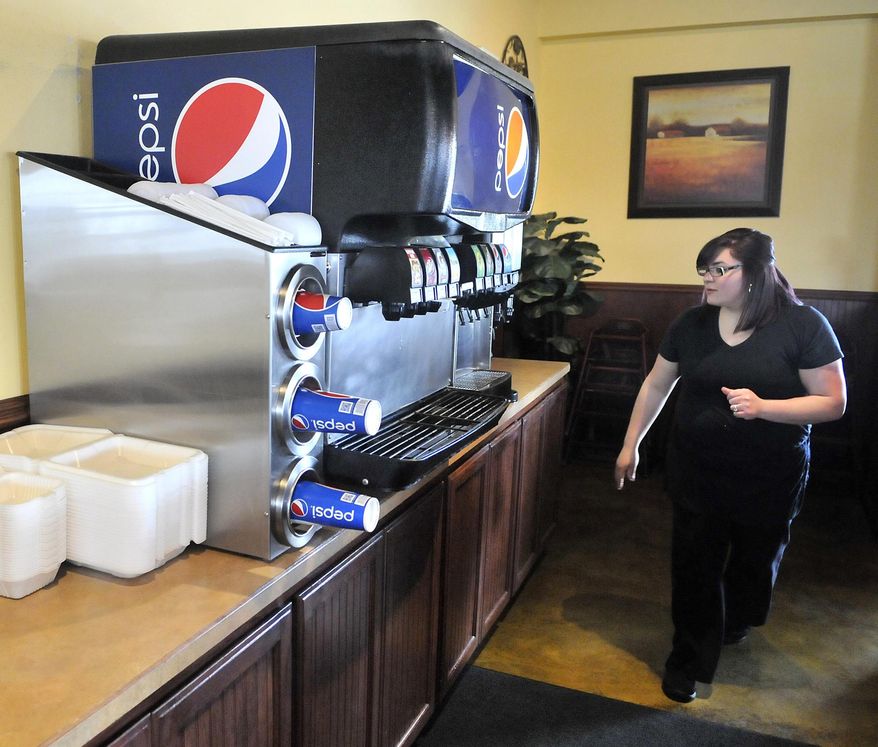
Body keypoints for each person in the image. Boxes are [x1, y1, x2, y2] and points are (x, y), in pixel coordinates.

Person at [614, 228, 846, 704]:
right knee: (694, 567)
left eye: (720, 270)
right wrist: (630, 443)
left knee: (753, 565)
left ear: (756, 274)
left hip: (770, 475)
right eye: (705, 270)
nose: (708, 280)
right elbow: (657, 385)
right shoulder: (693, 323)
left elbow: (833, 402)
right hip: (697, 470)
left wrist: (765, 407)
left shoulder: (803, 325)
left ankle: (737, 617)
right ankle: (686, 661)